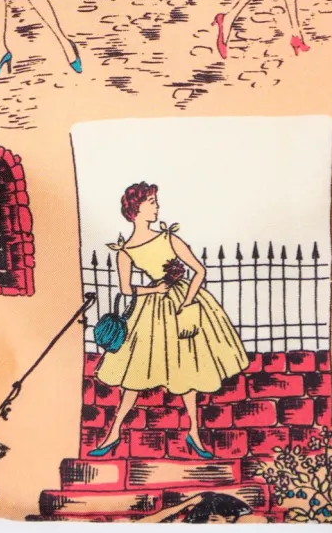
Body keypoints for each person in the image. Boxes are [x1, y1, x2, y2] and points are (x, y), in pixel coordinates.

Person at [87, 183, 248, 461]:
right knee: (134, 373)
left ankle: (194, 432)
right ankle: (113, 433)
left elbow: (199, 271)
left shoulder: (169, 238)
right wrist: (154, 290)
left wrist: (187, 301)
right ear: (136, 209)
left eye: (155, 201)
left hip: (182, 306)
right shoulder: (125, 251)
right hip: (150, 311)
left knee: (188, 368)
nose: (157, 207)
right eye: (151, 202)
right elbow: (125, 289)